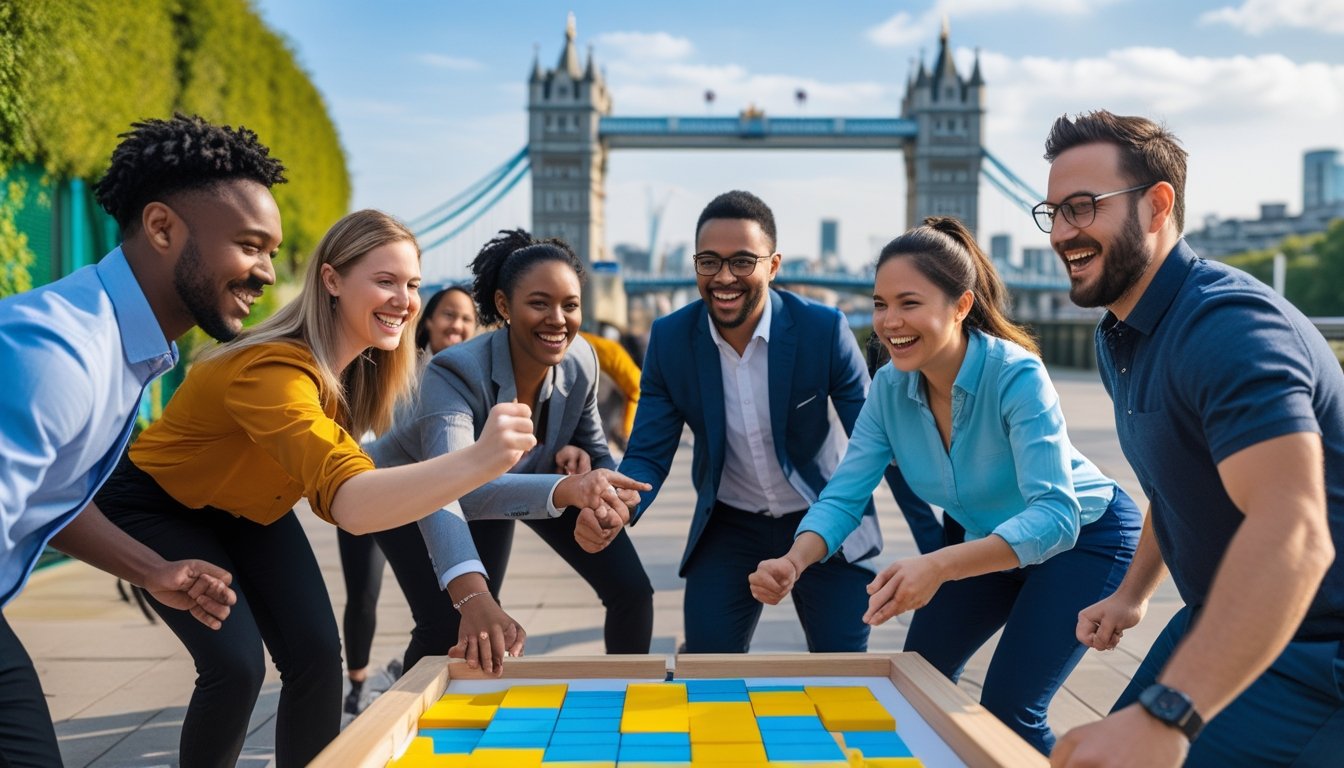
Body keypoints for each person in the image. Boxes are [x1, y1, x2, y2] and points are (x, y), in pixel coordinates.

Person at [93, 210, 537, 768]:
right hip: (155, 505)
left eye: (412, 284)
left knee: (318, 657)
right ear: (331, 280)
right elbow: (353, 505)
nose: (404, 299)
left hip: (249, 509)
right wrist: (479, 459)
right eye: (385, 281)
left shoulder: (359, 373)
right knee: (236, 667)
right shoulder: (271, 370)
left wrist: (543, 486)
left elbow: (375, 487)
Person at [749, 217, 1139, 753]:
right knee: (914, 687)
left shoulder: (1016, 374)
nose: (888, 321)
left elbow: (1055, 514)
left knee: (1008, 712)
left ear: (960, 305)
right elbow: (843, 495)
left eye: (909, 303)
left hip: (1085, 539)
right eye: (880, 303)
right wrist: (794, 560)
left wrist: (936, 566)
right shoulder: (887, 387)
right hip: (988, 542)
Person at [1037, 111, 1344, 768]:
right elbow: (1175, 483)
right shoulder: (1122, 334)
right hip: (1225, 613)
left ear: (1156, 206)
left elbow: (1296, 531)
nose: (1063, 232)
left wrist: (1170, 714)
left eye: (1083, 207)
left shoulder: (1227, 328)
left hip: (1320, 654)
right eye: (1054, 212)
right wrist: (1133, 593)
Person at [0, 113, 287, 767]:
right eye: (249, 245)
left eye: (270, 251)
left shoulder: (122, 349)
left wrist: (150, 570)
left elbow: (45, 498)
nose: (267, 273)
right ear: (162, 228)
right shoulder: (63, 356)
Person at [584, 190, 934, 654]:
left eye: (742, 261)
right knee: (708, 670)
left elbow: (881, 444)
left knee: (845, 671)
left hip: (824, 516)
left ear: (773, 266)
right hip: (729, 525)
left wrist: (937, 550)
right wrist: (617, 507)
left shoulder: (823, 331)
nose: (724, 277)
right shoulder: (670, 340)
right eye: (709, 262)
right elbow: (648, 454)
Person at [366, 229, 655, 661]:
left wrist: (608, 504)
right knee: (452, 623)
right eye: (539, 303)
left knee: (632, 590)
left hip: (518, 482)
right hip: (409, 491)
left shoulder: (581, 361)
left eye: (570, 305)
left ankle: (626, 698)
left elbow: (594, 450)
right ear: (503, 306)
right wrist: (569, 489)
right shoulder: (455, 371)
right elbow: (453, 487)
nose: (558, 319)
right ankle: (405, 714)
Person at [337, 284, 478, 714]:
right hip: (364, 489)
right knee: (363, 592)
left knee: (440, 612)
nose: (457, 325)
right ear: (428, 322)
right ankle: (357, 683)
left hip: (422, 504)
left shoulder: (470, 381)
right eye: (449, 315)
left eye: (467, 319)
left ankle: (409, 693)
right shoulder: (394, 364)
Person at [864, 329, 963, 555]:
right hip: (897, 443)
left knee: (954, 514)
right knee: (922, 517)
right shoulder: (883, 396)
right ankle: (944, 572)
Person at [579, 327, 641, 450]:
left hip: (601, 365)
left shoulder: (633, 377)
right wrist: (626, 431)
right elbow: (636, 394)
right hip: (596, 362)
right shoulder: (636, 381)